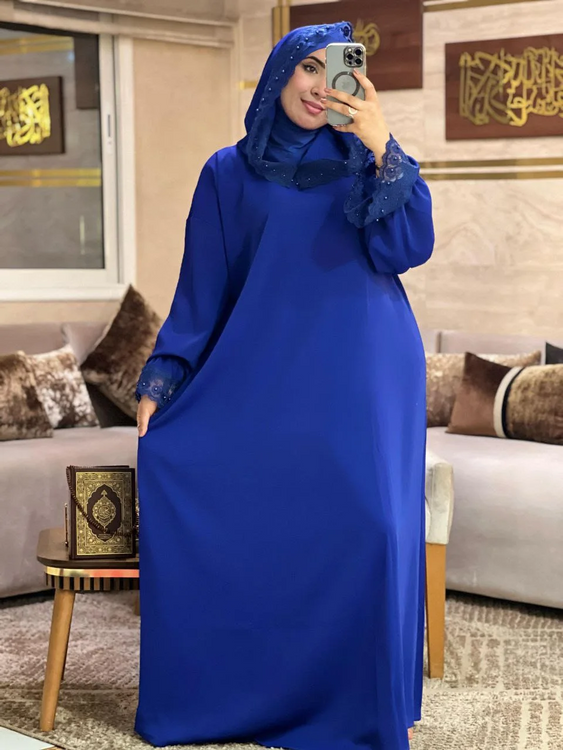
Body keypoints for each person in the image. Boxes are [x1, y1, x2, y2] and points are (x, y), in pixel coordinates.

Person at [134, 21, 434, 750]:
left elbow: (406, 248)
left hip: (366, 372)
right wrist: (165, 374)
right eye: (306, 69)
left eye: (333, 71)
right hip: (265, 369)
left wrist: (382, 147)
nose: (319, 87)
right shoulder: (226, 172)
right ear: (278, 73)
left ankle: (359, 706)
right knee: (245, 517)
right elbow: (203, 288)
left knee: (370, 528)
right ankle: (246, 697)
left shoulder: (367, 159)